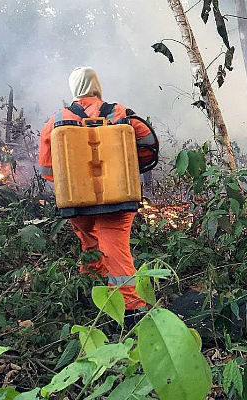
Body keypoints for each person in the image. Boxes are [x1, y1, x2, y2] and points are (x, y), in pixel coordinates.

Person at [38, 67, 154, 315]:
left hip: (77, 204)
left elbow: (48, 170)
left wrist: (77, 181)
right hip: (120, 202)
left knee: (90, 247)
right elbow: (149, 145)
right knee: (117, 253)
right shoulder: (121, 113)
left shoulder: (56, 120)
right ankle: (130, 310)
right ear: (97, 85)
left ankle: (91, 300)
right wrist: (129, 168)